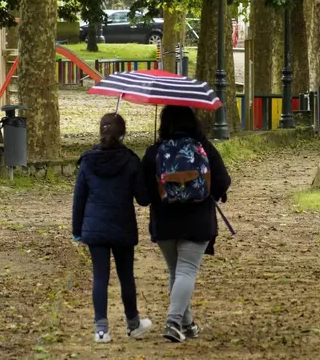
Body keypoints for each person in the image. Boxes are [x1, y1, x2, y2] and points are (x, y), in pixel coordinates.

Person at [140, 106, 231, 343]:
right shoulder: (204, 147)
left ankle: (187, 324)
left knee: (177, 272)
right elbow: (223, 180)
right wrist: (209, 193)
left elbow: (144, 195)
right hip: (197, 221)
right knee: (186, 271)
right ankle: (173, 322)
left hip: (164, 222)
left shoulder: (154, 151)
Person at [72, 113, 153, 343]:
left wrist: (77, 230)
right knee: (126, 276)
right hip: (122, 226)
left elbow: (79, 199)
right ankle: (133, 323)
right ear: (123, 133)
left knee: (100, 276)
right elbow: (143, 199)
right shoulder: (131, 161)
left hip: (94, 227)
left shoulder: (88, 161)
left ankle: (101, 330)